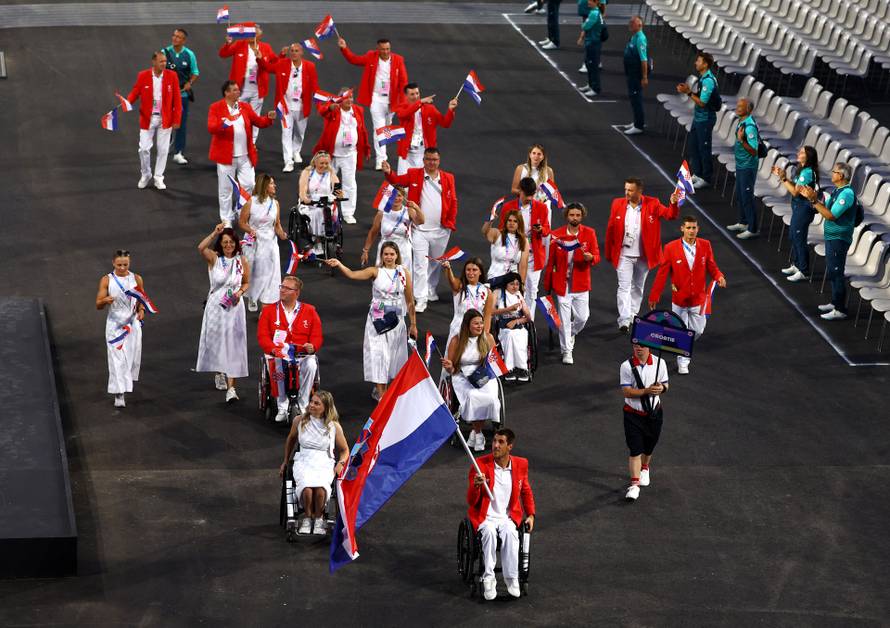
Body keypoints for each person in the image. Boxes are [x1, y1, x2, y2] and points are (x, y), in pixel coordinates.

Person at [326, 242, 418, 400]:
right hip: (378, 315)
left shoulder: (404, 273)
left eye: (391, 254)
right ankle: (382, 396)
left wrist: (413, 324)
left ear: (397, 255)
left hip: (397, 318)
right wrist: (340, 264)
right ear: (381, 255)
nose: (388, 257)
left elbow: (410, 301)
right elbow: (353, 275)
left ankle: (387, 389)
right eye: (385, 254)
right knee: (379, 354)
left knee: (394, 356)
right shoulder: (375, 271)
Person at [647, 216, 727, 374]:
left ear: (698, 229)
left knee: (698, 331)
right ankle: (683, 361)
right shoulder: (670, 248)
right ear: (682, 229)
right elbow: (662, 274)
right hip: (680, 301)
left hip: (698, 299)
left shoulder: (705, 245)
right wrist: (654, 295)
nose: (691, 231)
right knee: (682, 331)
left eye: (694, 228)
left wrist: (719, 276)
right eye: (688, 228)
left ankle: (679, 343)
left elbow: (711, 265)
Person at [383, 148, 459, 312]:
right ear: (423, 160)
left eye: (435, 160)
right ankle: (421, 298)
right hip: (419, 229)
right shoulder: (414, 174)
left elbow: (453, 200)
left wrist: (450, 223)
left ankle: (431, 289)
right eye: (428, 159)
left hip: (441, 229)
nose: (432, 162)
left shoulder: (448, 178)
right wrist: (389, 173)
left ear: (439, 161)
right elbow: (397, 181)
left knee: (436, 262)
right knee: (420, 264)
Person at [466, 428, 536, 600]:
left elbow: (525, 491)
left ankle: (511, 578)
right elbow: (471, 501)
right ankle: (488, 578)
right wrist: (476, 486)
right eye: (494, 441)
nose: (495, 445)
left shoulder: (521, 464)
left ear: (509, 446)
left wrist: (531, 514)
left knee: (512, 534)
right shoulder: (480, 464)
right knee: (489, 533)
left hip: (507, 517)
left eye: (501, 442)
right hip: (486, 517)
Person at [605, 177, 681, 333]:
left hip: (643, 256)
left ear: (639, 191)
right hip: (623, 254)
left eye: (630, 190)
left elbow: (670, 215)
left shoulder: (652, 203)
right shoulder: (617, 204)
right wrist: (608, 252)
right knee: (624, 287)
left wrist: (673, 203)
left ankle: (633, 313)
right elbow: (611, 229)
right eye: (625, 189)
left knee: (638, 287)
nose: (626, 192)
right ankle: (624, 320)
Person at [208, 80, 276, 226]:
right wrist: (224, 124)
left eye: (238, 90)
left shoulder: (245, 107)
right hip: (226, 157)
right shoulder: (216, 108)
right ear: (226, 93)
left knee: (249, 185)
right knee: (226, 190)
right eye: (234, 90)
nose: (238, 92)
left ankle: (241, 213)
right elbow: (211, 127)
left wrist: (268, 119)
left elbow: (258, 121)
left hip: (245, 155)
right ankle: (226, 219)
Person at [279, 391, 348, 535]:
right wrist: (285, 461)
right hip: (303, 459)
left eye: (317, 403)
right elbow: (291, 440)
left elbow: (344, 450)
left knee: (321, 489)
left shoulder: (333, 426)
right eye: (311, 401)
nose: (311, 405)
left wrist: (341, 463)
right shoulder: (299, 420)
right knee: (307, 489)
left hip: (324, 461)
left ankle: (319, 519)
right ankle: (308, 518)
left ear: (325, 407)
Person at [196, 224, 250, 402]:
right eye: (225, 242)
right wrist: (215, 233)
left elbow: (246, 282)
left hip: (234, 306)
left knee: (234, 343)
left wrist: (240, 293)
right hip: (216, 306)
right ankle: (219, 370)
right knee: (218, 341)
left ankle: (231, 388)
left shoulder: (242, 261)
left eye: (231, 242)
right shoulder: (214, 258)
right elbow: (201, 247)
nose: (228, 245)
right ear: (221, 244)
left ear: (236, 243)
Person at [258, 276, 324, 422]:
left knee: (312, 365)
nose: (282, 290)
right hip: (278, 354)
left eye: (287, 288)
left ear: (297, 292)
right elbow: (262, 336)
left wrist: (312, 346)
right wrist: (273, 349)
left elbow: (317, 335)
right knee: (277, 365)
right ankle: (282, 405)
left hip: (302, 354)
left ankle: (304, 402)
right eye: (281, 287)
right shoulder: (268, 311)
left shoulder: (309, 310)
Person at [338, 37, 409, 169]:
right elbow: (354, 59)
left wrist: (403, 102)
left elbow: (403, 82)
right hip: (376, 99)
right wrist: (344, 48)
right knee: (379, 129)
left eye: (388, 49)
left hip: (392, 100)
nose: (385, 52)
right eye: (382, 49)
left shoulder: (398, 60)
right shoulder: (371, 56)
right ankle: (381, 160)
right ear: (378, 49)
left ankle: (383, 153)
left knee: (387, 128)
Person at [543, 202, 600, 365]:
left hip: (581, 283)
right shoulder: (556, 235)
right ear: (567, 216)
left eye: (578, 215)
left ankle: (569, 334)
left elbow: (596, 255)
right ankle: (567, 351)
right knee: (564, 319)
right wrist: (547, 285)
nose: (575, 218)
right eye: (572, 215)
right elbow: (551, 261)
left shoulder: (589, 233)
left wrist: (591, 258)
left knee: (583, 317)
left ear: (582, 216)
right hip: (562, 285)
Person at [800, 162, 857, 321]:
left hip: (839, 238)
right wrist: (813, 198)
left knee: (837, 272)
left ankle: (840, 309)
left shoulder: (846, 195)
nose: (832, 174)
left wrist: (814, 201)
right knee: (832, 271)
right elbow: (826, 208)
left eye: (834, 172)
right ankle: (835, 302)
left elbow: (831, 216)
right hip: (832, 237)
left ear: (841, 176)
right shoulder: (838, 191)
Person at [442, 310, 501, 452]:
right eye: (476, 323)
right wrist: (450, 367)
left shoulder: (488, 338)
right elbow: (452, 369)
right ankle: (478, 433)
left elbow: (495, 362)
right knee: (473, 396)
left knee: (491, 398)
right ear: (467, 325)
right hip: (462, 375)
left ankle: (476, 432)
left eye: (481, 323)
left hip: (484, 374)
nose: (480, 326)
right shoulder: (456, 340)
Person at [313, 87, 371, 225]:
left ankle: (348, 213)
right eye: (347, 97)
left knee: (350, 184)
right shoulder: (333, 109)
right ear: (340, 99)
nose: (350, 100)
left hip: (350, 155)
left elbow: (362, 130)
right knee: (326, 183)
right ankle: (323, 210)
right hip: (331, 155)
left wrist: (366, 148)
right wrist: (330, 107)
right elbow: (322, 111)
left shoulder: (358, 111)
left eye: (351, 97)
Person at [126, 51, 182, 190]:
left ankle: (158, 177)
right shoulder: (143, 75)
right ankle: (146, 174)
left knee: (163, 150)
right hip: (148, 118)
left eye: (165, 61)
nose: (164, 64)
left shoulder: (172, 76)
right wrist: (127, 102)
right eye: (161, 61)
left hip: (166, 118)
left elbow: (177, 99)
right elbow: (135, 91)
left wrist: (177, 118)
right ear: (153, 62)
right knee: (143, 148)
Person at [96, 250, 145, 408]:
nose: (123, 268)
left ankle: (124, 385)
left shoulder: (136, 278)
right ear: (113, 263)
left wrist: (141, 310)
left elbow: (141, 300)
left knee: (129, 358)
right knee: (116, 359)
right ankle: (119, 393)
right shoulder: (106, 280)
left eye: (125, 264)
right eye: (119, 265)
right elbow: (98, 304)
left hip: (131, 324)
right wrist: (105, 300)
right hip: (114, 325)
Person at [620, 343, 669, 501]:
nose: (638, 348)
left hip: (654, 414)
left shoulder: (660, 363)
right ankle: (634, 485)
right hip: (632, 415)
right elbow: (627, 392)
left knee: (649, 446)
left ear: (649, 347)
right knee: (635, 449)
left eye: (641, 346)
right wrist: (647, 391)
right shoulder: (626, 366)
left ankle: (645, 467)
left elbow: (666, 384)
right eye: (635, 346)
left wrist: (661, 388)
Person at [499, 178, 552, 319]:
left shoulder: (542, 208)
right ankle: (510, 319)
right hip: (513, 256)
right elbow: (500, 230)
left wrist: (541, 230)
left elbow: (547, 229)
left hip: (533, 257)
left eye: (531, 195)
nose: (529, 198)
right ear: (520, 191)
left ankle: (528, 322)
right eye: (526, 194)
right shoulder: (508, 207)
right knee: (512, 289)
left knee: (532, 291)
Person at [238, 173, 287, 312]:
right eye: (271, 183)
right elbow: (242, 222)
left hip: (270, 243)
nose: (274, 186)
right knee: (254, 271)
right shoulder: (250, 203)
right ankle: (252, 297)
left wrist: (282, 235)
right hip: (254, 242)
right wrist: (251, 230)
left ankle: (267, 300)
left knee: (271, 273)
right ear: (264, 186)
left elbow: (276, 225)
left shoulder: (275, 203)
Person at [268, 43, 319, 172]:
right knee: (286, 133)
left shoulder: (310, 67)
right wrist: (258, 59)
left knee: (300, 133)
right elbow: (268, 68)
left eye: (297, 51)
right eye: (292, 51)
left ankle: (296, 151)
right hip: (286, 106)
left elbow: (315, 87)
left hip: (302, 107)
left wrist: (322, 103)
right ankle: (288, 161)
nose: (294, 53)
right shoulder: (283, 64)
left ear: (302, 53)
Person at [218, 25, 275, 142]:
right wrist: (228, 43)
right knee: (237, 114)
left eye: (254, 33)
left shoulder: (266, 47)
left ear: (260, 35)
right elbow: (223, 54)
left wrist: (281, 56)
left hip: (258, 88)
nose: (250, 36)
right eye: (249, 33)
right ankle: (237, 139)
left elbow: (275, 63)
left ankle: (252, 142)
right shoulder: (239, 44)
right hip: (240, 88)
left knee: (255, 117)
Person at [773, 145, 819, 282]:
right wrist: (785, 178)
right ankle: (796, 264)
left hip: (804, 209)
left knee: (799, 238)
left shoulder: (808, 172)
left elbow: (795, 191)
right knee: (793, 236)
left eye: (802, 152)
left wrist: (783, 179)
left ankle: (804, 271)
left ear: (808, 156)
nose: (799, 153)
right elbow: (796, 186)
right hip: (798, 208)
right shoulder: (803, 170)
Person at [393, 84, 457, 174]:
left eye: (417, 93)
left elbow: (445, 123)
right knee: (402, 185)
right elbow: (403, 114)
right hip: (406, 154)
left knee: (422, 184)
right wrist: (420, 102)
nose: (415, 96)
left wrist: (450, 110)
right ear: (406, 96)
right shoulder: (402, 107)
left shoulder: (430, 109)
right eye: (412, 94)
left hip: (423, 153)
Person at [676, 52, 718, 189]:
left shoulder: (708, 81)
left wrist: (688, 92)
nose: (696, 63)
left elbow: (702, 103)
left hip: (705, 119)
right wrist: (689, 91)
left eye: (698, 61)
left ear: (705, 64)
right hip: (698, 118)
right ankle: (698, 173)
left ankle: (706, 177)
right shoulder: (703, 78)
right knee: (694, 146)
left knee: (704, 148)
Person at [361, 186, 424, 268]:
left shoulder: (408, 211)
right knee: (383, 277)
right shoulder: (382, 213)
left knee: (403, 278)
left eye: (399, 195)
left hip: (403, 250)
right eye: (393, 195)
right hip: (385, 250)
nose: (396, 198)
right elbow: (373, 232)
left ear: (403, 197)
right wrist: (365, 251)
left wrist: (416, 207)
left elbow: (421, 221)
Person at [162, 28, 199, 165]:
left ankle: (178, 152)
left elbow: (195, 72)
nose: (175, 38)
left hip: (182, 96)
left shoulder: (189, 55)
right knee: (165, 122)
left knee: (181, 123)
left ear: (183, 40)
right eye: (174, 36)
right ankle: (165, 148)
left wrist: (190, 83)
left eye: (178, 37)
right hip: (166, 95)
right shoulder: (164, 53)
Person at [725, 98, 761, 240]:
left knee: (746, 196)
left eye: (741, 106)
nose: (738, 108)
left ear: (749, 109)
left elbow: (754, 150)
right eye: (738, 105)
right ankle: (743, 222)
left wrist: (741, 140)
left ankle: (752, 228)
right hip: (741, 165)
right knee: (740, 195)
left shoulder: (750, 127)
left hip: (748, 167)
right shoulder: (742, 122)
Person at [298, 151, 343, 254]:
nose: (324, 166)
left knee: (331, 211)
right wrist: (305, 198)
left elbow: (337, 190)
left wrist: (339, 194)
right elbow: (302, 191)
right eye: (322, 163)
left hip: (327, 202)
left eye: (326, 163)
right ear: (315, 162)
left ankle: (330, 237)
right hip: (311, 203)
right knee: (318, 213)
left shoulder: (331, 173)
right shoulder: (307, 172)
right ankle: (317, 240)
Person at [442, 257, 494, 345]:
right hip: (458, 329)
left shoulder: (487, 291)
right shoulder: (460, 286)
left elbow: (487, 317)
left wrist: (484, 335)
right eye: (468, 270)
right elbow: (452, 281)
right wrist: (448, 268)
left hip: (476, 330)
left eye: (474, 270)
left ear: (480, 272)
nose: (471, 273)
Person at [491, 273, 532, 382]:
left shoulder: (519, 295)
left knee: (520, 335)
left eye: (517, 284)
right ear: (506, 284)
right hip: (503, 325)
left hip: (518, 324)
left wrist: (516, 321)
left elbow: (528, 317)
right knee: (509, 335)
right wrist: (508, 309)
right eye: (512, 284)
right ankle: (508, 368)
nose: (515, 287)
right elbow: (490, 312)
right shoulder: (497, 293)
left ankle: (522, 368)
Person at [484, 209, 529, 288]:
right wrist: (490, 220)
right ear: (506, 222)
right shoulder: (497, 234)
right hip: (495, 278)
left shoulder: (523, 240)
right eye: (509, 220)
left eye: (515, 221)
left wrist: (521, 284)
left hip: (512, 282)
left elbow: (523, 265)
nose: (512, 223)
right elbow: (485, 231)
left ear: (519, 223)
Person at [621, 16, 648, 135]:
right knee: (633, 98)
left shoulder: (640, 39)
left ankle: (639, 125)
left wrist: (644, 77)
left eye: (633, 23)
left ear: (639, 25)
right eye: (630, 22)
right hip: (631, 72)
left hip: (636, 74)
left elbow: (644, 60)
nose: (630, 24)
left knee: (636, 98)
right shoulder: (634, 36)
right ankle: (637, 121)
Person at [577, 0, 604, 97]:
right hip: (592, 41)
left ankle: (595, 88)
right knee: (589, 64)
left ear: (595, 2)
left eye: (590, 1)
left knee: (592, 65)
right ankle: (591, 84)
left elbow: (585, 25)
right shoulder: (595, 13)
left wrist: (583, 27)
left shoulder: (594, 14)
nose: (588, 2)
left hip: (593, 42)